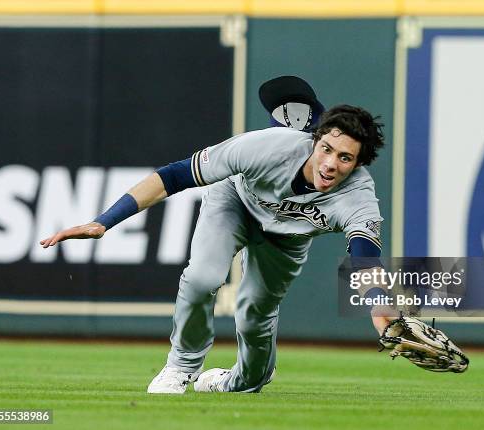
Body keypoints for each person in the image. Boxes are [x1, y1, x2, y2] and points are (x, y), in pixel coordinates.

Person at [40, 93, 387, 393]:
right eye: (326, 148)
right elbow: (174, 176)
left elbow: (365, 258)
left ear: (358, 164)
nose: (329, 163)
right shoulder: (266, 146)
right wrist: (104, 221)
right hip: (234, 203)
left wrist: (379, 308)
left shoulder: (358, 195)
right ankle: (181, 366)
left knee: (255, 316)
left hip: (287, 239)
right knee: (202, 278)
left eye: (344, 157)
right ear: (315, 139)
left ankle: (240, 381)